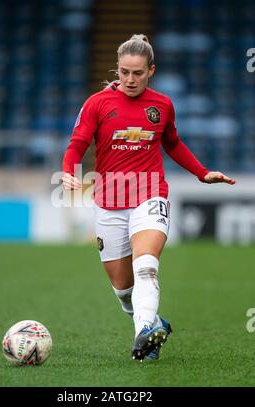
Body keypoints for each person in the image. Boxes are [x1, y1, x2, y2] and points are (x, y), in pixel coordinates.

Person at [61, 34, 236, 361]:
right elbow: (77, 144)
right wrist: (70, 169)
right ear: (117, 68)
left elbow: (173, 143)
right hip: (109, 204)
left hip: (150, 195)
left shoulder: (162, 105)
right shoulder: (97, 104)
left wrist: (202, 172)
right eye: (124, 72)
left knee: (146, 267)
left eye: (137, 73)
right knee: (123, 290)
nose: (129, 79)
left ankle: (144, 335)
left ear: (150, 70)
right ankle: (152, 323)